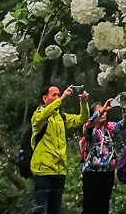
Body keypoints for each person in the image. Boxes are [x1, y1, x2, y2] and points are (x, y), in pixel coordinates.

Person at [30, 85, 90, 214]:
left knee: (54, 209)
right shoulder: (38, 116)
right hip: (43, 170)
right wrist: (62, 98)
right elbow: (43, 115)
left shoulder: (61, 118)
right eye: (54, 95)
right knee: (39, 209)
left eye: (58, 94)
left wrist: (84, 103)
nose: (57, 97)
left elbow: (83, 120)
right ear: (44, 98)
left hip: (59, 170)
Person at [79, 98, 125, 214]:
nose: (103, 113)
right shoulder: (91, 130)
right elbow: (87, 126)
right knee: (90, 204)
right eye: (99, 111)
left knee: (104, 204)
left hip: (107, 171)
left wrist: (125, 109)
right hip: (92, 171)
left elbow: (125, 123)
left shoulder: (109, 128)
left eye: (104, 112)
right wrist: (103, 109)